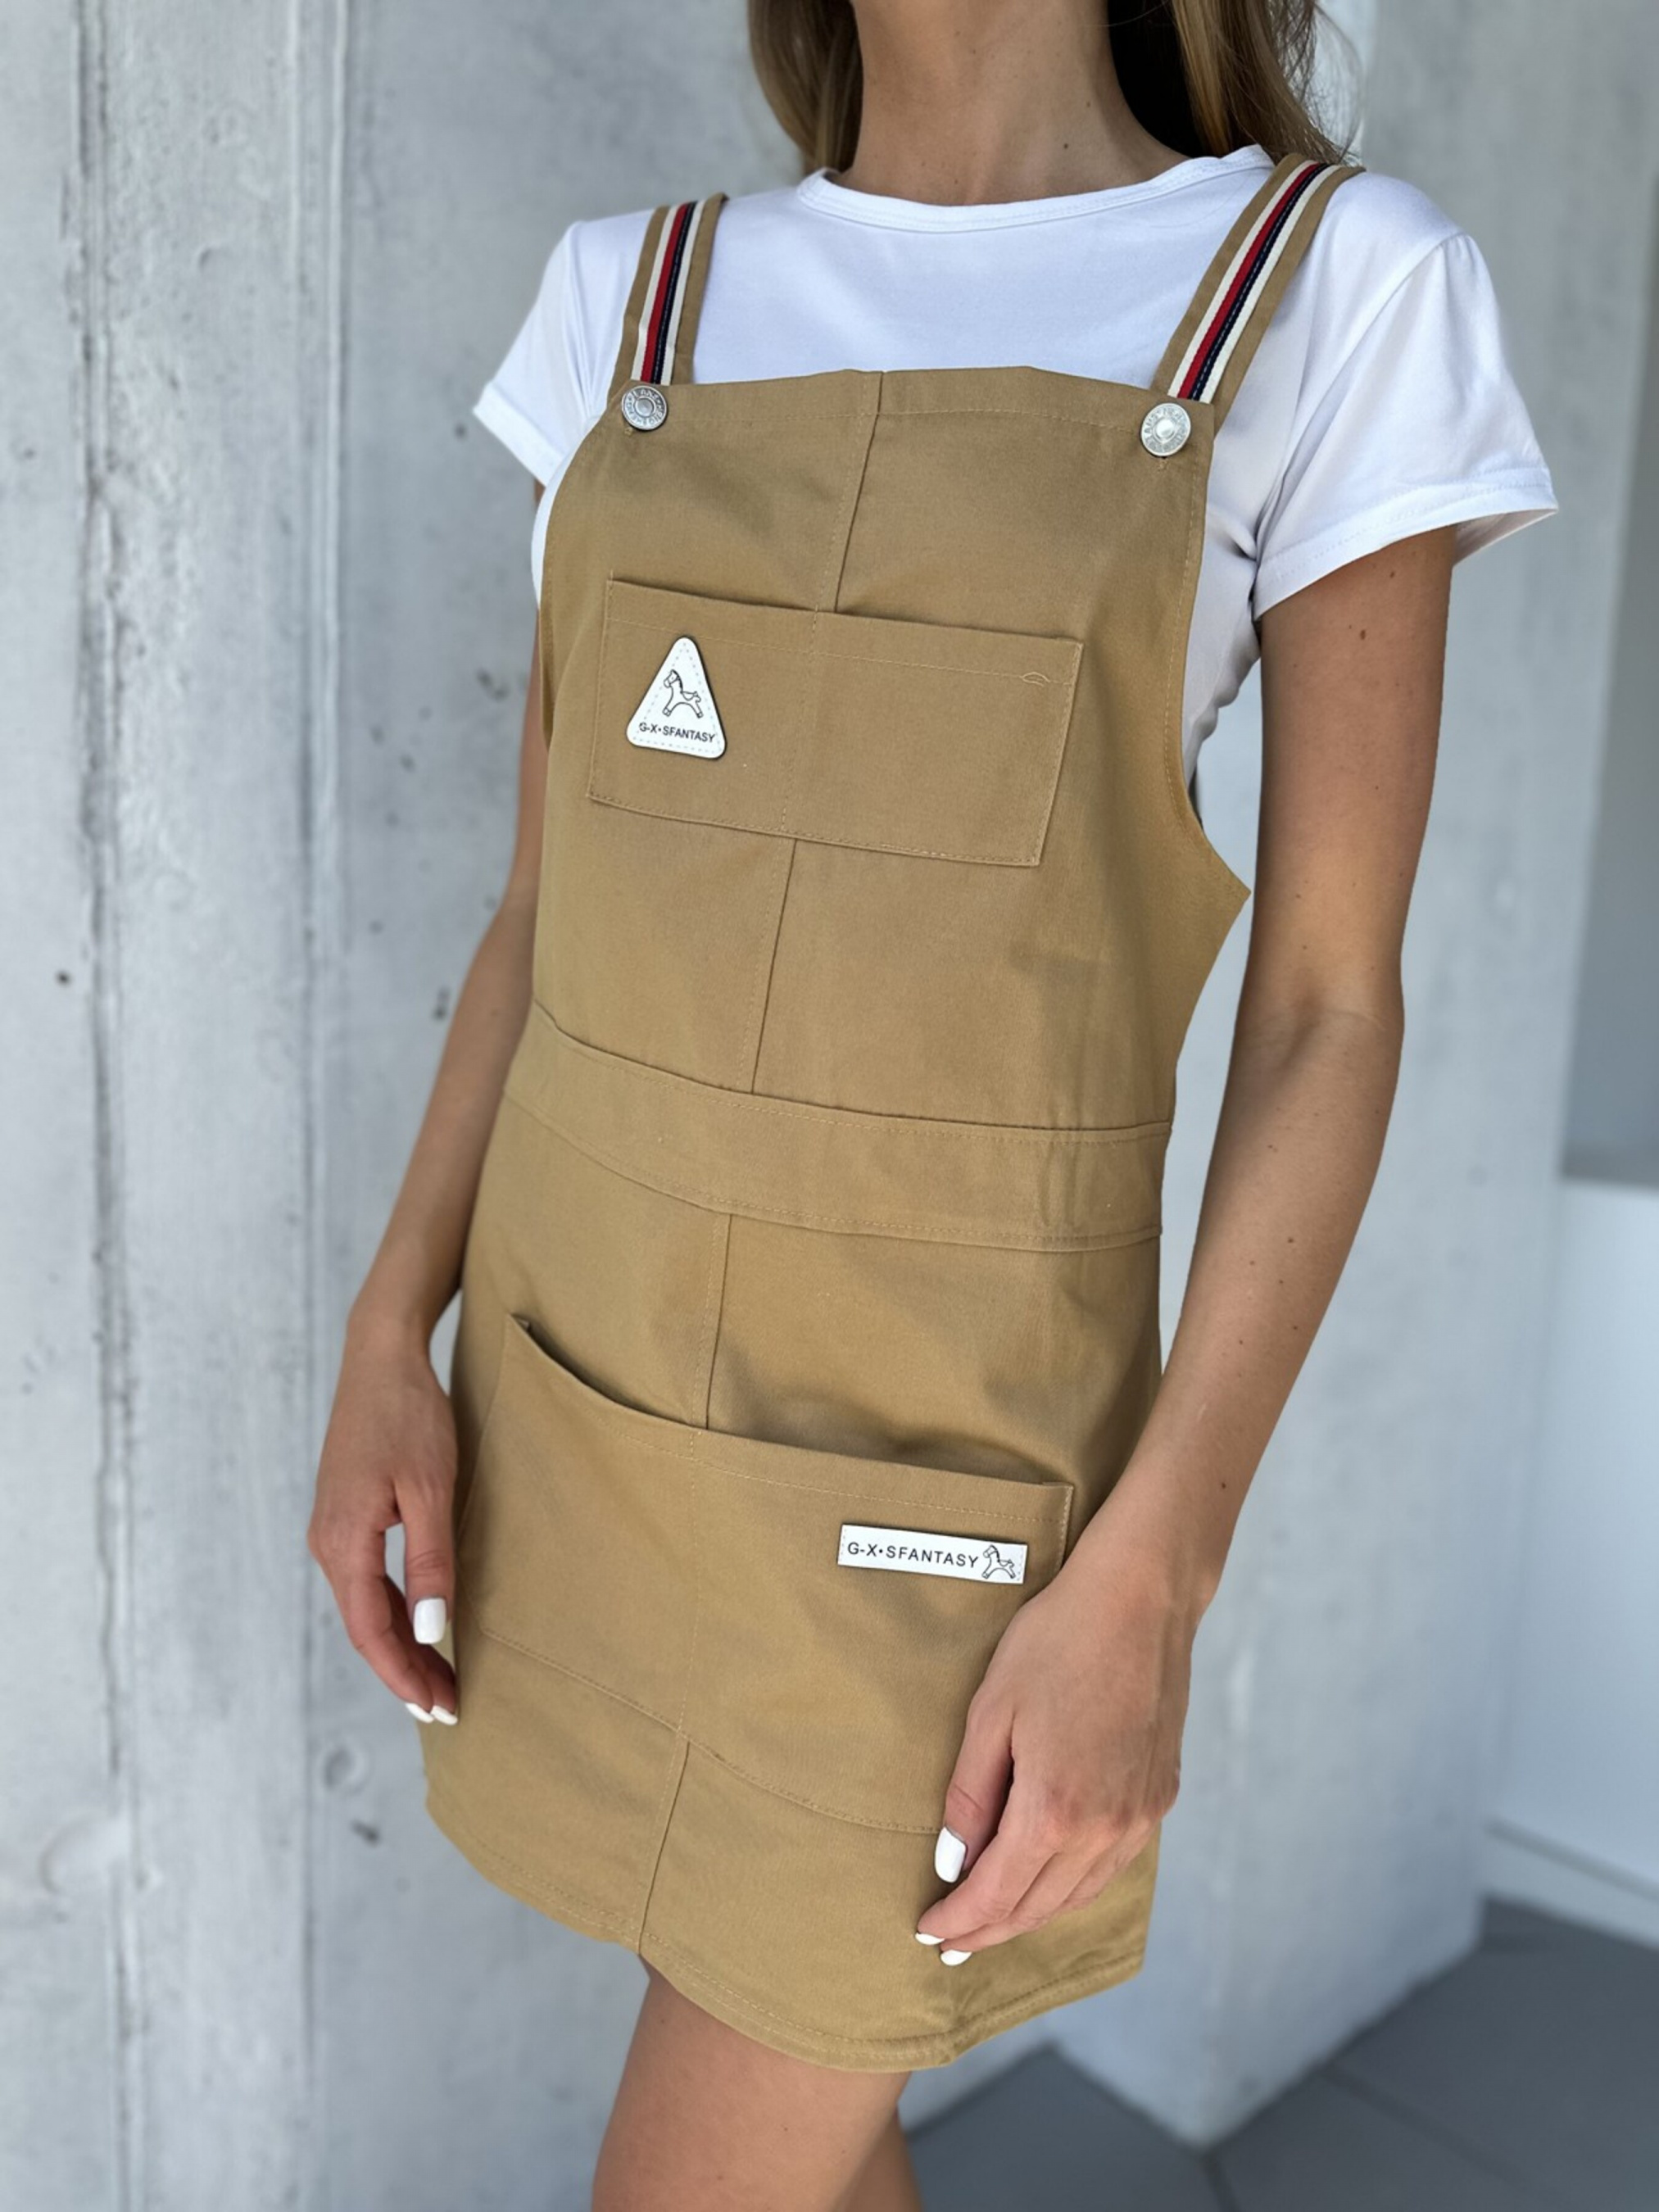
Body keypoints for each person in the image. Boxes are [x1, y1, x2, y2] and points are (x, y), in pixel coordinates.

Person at [306, 2, 1557, 2205]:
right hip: (577, 1392)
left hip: (940, 1489)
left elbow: (1325, 1013)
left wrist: (1151, 1576)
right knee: (805, 2108)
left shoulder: (1327, 293)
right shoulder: (631, 302)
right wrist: (388, 1328)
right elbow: (543, 913)